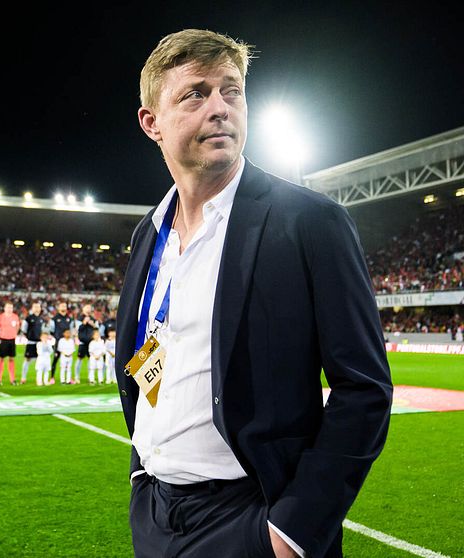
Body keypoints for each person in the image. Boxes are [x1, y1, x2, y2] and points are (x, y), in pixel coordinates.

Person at [117, 29, 392, 558]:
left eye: (232, 91)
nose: (220, 107)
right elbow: (150, 357)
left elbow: (364, 389)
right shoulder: (148, 234)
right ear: (152, 123)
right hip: (155, 514)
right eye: (195, 94)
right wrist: (141, 475)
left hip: (253, 517)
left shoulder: (310, 222)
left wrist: (290, 533)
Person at [0, 302, 20, 386]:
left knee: (11, 359)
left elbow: (17, 327)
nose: (9, 309)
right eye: (8, 307)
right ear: (4, 308)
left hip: (12, 340)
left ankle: (12, 379)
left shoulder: (15, 317)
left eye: (11, 307)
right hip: (3, 340)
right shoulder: (0, 317)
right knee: (1, 359)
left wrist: (14, 334)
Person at [74, 304, 99, 385]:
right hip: (82, 342)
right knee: (79, 358)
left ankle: (90, 377)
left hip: (91, 342)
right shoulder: (79, 318)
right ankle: (76, 377)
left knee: (90, 359)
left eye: (89, 308)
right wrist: (84, 323)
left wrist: (93, 324)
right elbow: (78, 329)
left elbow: (97, 329)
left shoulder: (93, 319)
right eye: (87, 307)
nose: (88, 309)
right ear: (83, 309)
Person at [20, 302, 43, 384]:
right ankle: (23, 378)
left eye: (38, 307)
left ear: (40, 308)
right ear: (32, 309)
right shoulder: (28, 318)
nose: (37, 308)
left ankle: (38, 378)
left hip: (39, 344)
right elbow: (23, 330)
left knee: (39, 361)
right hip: (31, 342)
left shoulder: (41, 319)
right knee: (27, 360)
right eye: (35, 307)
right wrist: (28, 337)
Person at [49, 302, 71, 384]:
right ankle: (52, 377)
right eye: (62, 306)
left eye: (65, 306)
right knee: (55, 359)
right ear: (58, 308)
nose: (63, 307)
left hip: (67, 342)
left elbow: (71, 329)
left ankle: (68, 378)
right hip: (58, 341)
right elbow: (51, 330)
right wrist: (56, 338)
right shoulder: (54, 319)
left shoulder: (69, 318)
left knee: (68, 359)